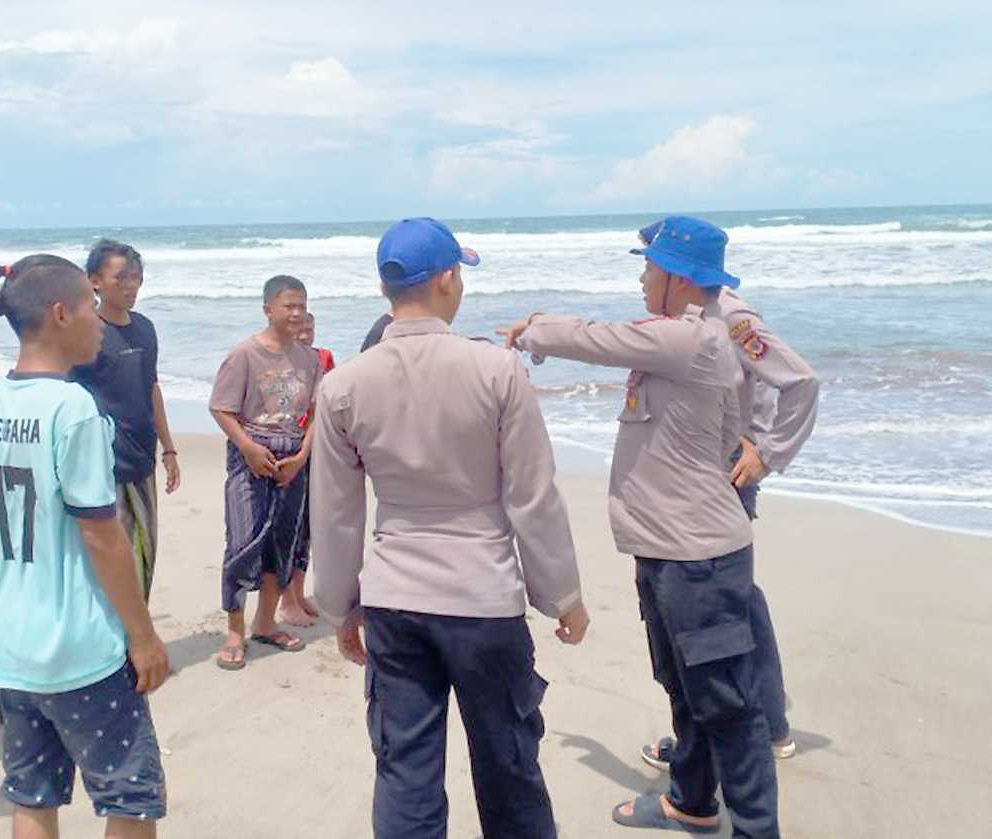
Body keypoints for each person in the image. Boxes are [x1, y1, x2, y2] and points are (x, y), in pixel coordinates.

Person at [501, 216, 779, 837]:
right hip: (668, 551)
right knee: (686, 689)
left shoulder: (694, 339)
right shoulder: (683, 341)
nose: (641, 277)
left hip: (698, 559)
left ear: (678, 277)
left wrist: (532, 329)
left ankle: (759, 829)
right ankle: (693, 800)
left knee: (729, 706)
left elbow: (601, 339)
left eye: (648, 267)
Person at [313, 218, 590, 839]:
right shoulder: (497, 370)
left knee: (405, 772)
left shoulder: (343, 385)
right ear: (445, 280)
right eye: (458, 273)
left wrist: (339, 606)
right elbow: (533, 495)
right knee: (509, 767)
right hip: (482, 597)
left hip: (395, 598)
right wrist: (560, 594)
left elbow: (335, 511)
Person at [0, 255, 171, 839]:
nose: (100, 321)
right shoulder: (73, 410)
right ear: (59, 314)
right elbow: (102, 534)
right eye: (89, 308)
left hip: (7, 644)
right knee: (130, 799)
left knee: (34, 797)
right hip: (78, 648)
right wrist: (143, 635)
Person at [630, 219, 820, 772]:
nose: (645, 272)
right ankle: (725, 738)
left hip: (722, 481)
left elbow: (801, 382)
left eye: (650, 260)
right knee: (720, 610)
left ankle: (753, 734)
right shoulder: (686, 317)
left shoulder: (730, 317)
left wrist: (767, 451)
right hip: (695, 479)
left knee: (721, 616)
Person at [208, 275, 320, 670]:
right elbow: (221, 407)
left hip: (293, 457)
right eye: (288, 305)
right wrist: (249, 448)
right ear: (268, 309)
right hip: (252, 452)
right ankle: (235, 631)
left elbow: (315, 415)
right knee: (243, 541)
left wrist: (303, 455)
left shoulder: (310, 358)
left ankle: (266, 623)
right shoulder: (244, 354)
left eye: (301, 305)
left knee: (282, 543)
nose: (296, 313)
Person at [71, 239, 180, 603]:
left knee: (145, 548)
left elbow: (152, 388)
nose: (131, 285)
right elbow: (67, 399)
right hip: (100, 463)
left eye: (137, 277)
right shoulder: (85, 331)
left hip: (142, 457)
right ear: (95, 282)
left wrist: (169, 448)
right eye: (122, 277)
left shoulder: (145, 329)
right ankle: (116, 642)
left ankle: (135, 634)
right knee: (110, 557)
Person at [277, 312, 333, 627]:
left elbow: (329, 406)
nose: (305, 333)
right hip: (289, 448)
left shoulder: (323, 358)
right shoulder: (280, 361)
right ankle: (285, 601)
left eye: (310, 327)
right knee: (288, 526)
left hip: (317, 451)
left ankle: (298, 594)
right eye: (300, 327)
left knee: (308, 526)